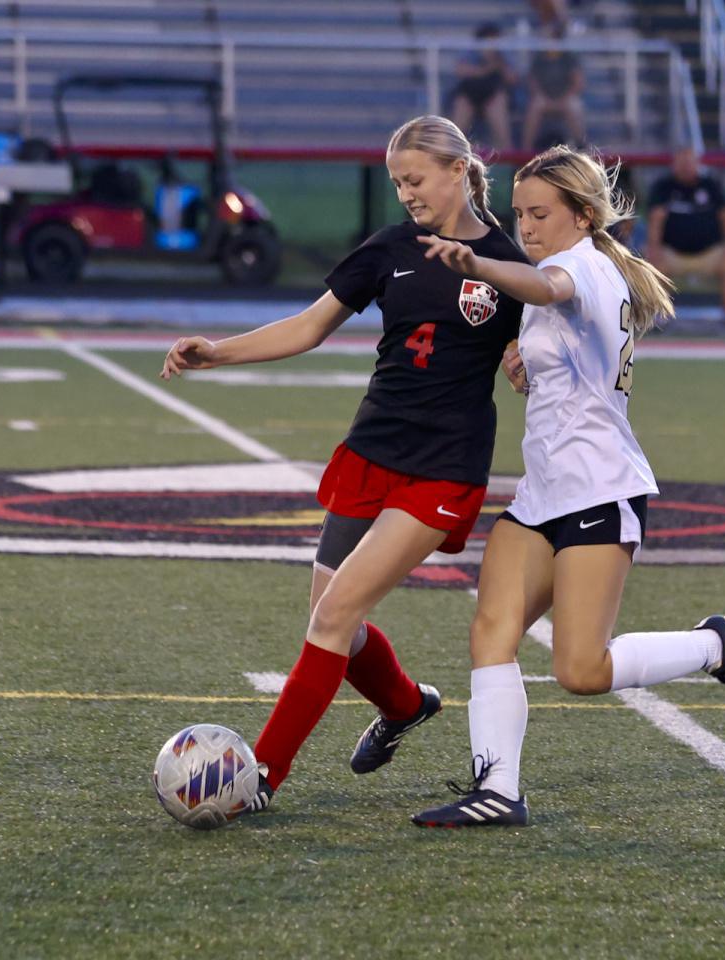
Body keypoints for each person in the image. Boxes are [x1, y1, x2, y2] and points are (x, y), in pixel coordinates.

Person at [160, 116, 529, 812]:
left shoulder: (506, 265)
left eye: (414, 179)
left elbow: (537, 349)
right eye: (397, 182)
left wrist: (523, 365)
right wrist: (218, 351)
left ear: (458, 170)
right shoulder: (389, 247)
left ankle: (259, 777)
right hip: (372, 450)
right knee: (336, 621)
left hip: (443, 467)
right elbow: (308, 326)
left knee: (332, 617)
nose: (406, 194)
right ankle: (404, 703)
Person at [408, 146, 725, 828]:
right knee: (491, 633)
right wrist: (526, 369)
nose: (527, 227)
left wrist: (477, 262)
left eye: (541, 213)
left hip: (597, 490)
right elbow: (562, 347)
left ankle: (713, 647)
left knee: (581, 670)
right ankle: (499, 790)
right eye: (519, 214)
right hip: (541, 493)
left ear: (582, 214)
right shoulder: (566, 265)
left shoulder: (581, 268)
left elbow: (548, 289)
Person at [646, 148, 725, 333]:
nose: (686, 167)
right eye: (682, 162)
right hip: (672, 253)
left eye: (690, 162)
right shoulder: (663, 186)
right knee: (653, 263)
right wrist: (654, 246)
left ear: (697, 164)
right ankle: (659, 317)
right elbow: (656, 217)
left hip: (710, 253)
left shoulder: (710, 185)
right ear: (674, 165)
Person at [451, 22, 517, 152]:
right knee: (457, 128)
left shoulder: (503, 55)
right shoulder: (470, 53)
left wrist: (498, 63)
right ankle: (452, 153)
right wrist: (486, 69)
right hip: (469, 95)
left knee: (499, 105)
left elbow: (513, 79)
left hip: (493, 97)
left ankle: (511, 163)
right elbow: (460, 70)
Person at [521, 21, 586, 152]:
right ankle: (525, 151)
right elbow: (532, 81)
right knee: (535, 105)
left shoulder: (568, 57)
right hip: (544, 99)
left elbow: (578, 83)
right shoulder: (539, 57)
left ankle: (582, 148)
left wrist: (563, 99)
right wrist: (542, 96)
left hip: (565, 98)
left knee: (574, 106)